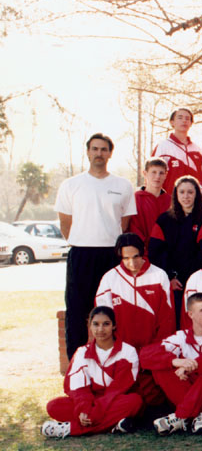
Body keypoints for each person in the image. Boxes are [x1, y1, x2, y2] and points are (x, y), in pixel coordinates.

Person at [56, 133, 137, 357]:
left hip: (111, 256)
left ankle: (114, 363)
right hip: (81, 254)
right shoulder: (71, 185)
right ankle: (77, 365)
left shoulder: (122, 185)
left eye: (103, 149)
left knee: (113, 311)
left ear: (110, 153)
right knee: (77, 312)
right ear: (88, 152)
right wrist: (83, 240)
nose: (99, 153)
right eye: (95, 149)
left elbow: (124, 223)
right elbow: (65, 223)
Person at [143, 291, 202, 435]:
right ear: (190, 314)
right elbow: (146, 355)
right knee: (160, 368)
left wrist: (192, 366)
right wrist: (175, 361)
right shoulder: (180, 337)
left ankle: (182, 416)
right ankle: (200, 415)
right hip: (186, 391)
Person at [42, 306, 142, 438]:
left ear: (114, 326)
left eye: (106, 324)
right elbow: (78, 388)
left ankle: (71, 429)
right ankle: (113, 425)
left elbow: (117, 390)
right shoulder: (82, 352)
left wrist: (93, 414)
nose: (100, 329)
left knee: (135, 401)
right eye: (96, 324)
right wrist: (83, 409)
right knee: (53, 406)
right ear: (89, 326)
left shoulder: (128, 352)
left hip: (115, 400)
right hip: (90, 402)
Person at [95, 232, 175, 359]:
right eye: (126, 258)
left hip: (153, 351)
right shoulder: (109, 279)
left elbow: (167, 318)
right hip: (121, 353)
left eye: (136, 257)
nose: (132, 263)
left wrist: (159, 348)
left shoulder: (159, 275)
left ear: (143, 252)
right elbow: (102, 320)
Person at [149, 175, 202, 322]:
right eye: (182, 192)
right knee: (175, 321)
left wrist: (193, 278)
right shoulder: (164, 220)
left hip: (198, 279)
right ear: (175, 194)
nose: (186, 196)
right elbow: (155, 252)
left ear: (197, 194)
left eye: (190, 192)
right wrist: (170, 277)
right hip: (173, 283)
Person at [152, 107, 202, 192]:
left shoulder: (197, 150)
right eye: (180, 118)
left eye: (187, 118)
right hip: (169, 201)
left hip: (193, 201)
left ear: (191, 123)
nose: (184, 121)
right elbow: (152, 177)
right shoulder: (163, 146)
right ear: (172, 122)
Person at [129, 158, 169, 242]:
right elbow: (134, 227)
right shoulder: (136, 199)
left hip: (167, 252)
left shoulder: (170, 201)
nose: (157, 177)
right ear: (145, 173)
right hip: (144, 251)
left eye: (161, 173)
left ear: (166, 175)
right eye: (153, 172)